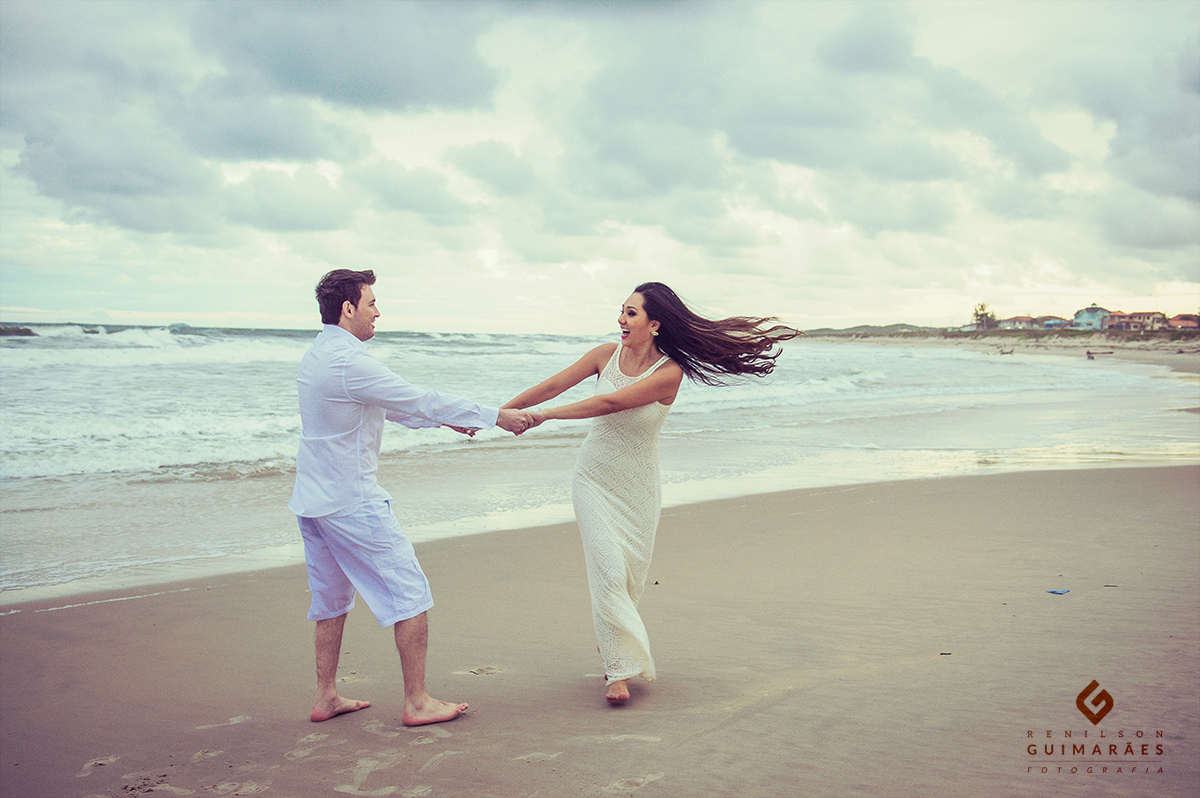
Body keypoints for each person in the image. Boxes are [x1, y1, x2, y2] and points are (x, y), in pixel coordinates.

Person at [504, 282, 801, 704]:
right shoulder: (603, 355)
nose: (621, 320)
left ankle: (612, 645)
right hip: (593, 478)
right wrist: (499, 413)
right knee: (607, 569)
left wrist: (541, 417)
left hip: (638, 485)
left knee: (628, 576)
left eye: (631, 314)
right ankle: (618, 672)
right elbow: (552, 386)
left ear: (655, 324)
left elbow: (609, 404)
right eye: (621, 312)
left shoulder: (668, 373)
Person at [288, 268, 532, 727]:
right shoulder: (351, 362)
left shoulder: (318, 355)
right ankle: (417, 702)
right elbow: (417, 398)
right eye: (371, 302)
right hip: (351, 501)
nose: (377, 311)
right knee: (410, 593)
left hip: (313, 499)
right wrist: (495, 416)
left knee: (331, 599)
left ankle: (325, 697)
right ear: (348, 309)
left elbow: (386, 405)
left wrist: (447, 421)